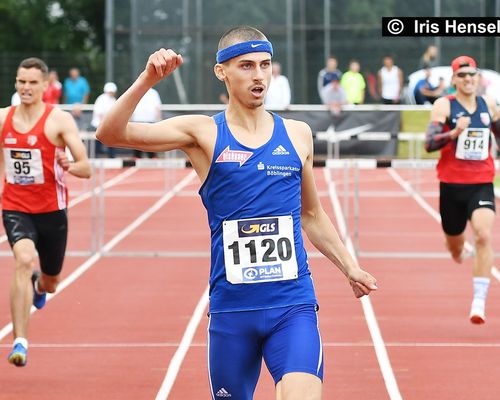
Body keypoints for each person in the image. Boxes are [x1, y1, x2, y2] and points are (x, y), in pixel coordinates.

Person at [96, 25, 377, 400]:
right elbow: (109, 134)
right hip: (232, 311)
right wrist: (148, 79)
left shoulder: (297, 134)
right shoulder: (202, 133)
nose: (259, 75)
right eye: (246, 65)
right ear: (222, 71)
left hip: (292, 305)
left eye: (265, 65)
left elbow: (311, 215)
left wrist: (349, 266)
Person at [0, 57, 91, 366]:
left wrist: (71, 165)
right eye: (21, 81)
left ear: (44, 86)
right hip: (15, 207)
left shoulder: (58, 120)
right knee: (23, 260)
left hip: (52, 211)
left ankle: (40, 285)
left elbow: (86, 167)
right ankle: (20, 342)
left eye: (32, 83)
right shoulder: (3, 118)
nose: (26, 87)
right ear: (16, 82)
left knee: (52, 283)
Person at [424, 55, 499, 325]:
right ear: (454, 79)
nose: (468, 79)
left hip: (481, 183)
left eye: (472, 75)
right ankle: (455, 248)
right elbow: (429, 143)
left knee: (483, 234)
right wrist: (453, 133)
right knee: (455, 246)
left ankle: (479, 301)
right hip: (452, 186)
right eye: (463, 75)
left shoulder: (488, 104)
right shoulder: (444, 105)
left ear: (478, 78)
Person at [130, 87, 162, 158]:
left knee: (151, 139)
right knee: (137, 139)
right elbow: (132, 104)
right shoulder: (137, 90)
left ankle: (152, 155)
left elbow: (157, 107)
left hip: (150, 119)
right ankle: (137, 156)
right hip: (138, 119)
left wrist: (158, 119)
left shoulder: (153, 92)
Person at [90, 82, 118, 158]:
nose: (111, 93)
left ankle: (111, 156)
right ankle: (96, 156)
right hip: (98, 125)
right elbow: (100, 114)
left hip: (108, 125)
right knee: (98, 141)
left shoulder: (113, 100)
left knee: (111, 141)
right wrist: (105, 125)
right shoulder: (101, 99)